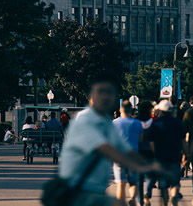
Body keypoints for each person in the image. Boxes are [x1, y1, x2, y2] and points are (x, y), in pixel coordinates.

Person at [58, 72, 164, 206]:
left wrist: (150, 165)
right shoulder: (84, 119)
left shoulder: (107, 121)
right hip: (79, 188)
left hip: (96, 187)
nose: (105, 96)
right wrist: (138, 165)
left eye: (109, 92)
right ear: (91, 97)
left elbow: (124, 148)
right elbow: (105, 148)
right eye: (100, 91)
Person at [147, 100, 185, 206]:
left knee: (163, 185)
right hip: (175, 156)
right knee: (175, 182)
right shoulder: (177, 123)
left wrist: (154, 155)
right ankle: (174, 196)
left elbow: (151, 142)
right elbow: (183, 140)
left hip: (161, 157)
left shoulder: (156, 124)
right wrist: (186, 153)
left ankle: (164, 203)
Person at [113, 100, 144, 206]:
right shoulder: (137, 123)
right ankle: (132, 198)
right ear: (131, 110)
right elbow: (141, 140)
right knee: (133, 181)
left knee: (120, 183)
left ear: (120, 110)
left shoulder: (114, 123)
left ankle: (121, 203)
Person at [136, 101, 156, 206]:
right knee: (151, 175)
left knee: (139, 179)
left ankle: (140, 201)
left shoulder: (135, 122)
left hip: (138, 152)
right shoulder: (153, 123)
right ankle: (147, 192)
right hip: (149, 152)